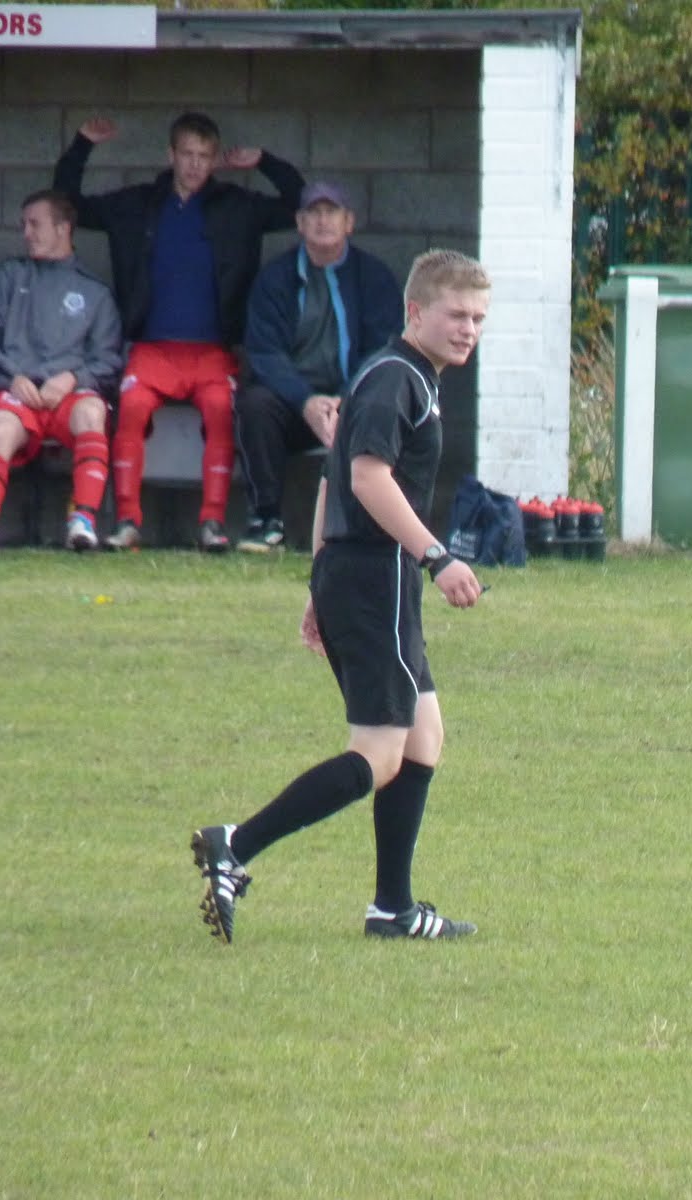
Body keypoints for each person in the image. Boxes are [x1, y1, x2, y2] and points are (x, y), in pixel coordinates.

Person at [190, 249, 490, 945]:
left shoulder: (402, 374)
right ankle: (236, 844)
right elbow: (365, 478)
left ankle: (392, 908)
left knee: (424, 735)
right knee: (380, 753)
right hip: (374, 575)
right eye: (456, 314)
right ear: (417, 312)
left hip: (355, 575)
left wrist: (316, 580)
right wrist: (437, 556)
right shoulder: (397, 380)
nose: (468, 328)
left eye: (478, 318)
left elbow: (330, 477)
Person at [52, 111, 305, 552]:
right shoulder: (138, 204)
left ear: (214, 161)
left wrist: (263, 160)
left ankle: (212, 524)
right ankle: (128, 522)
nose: (194, 164)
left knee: (221, 411)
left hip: (213, 352)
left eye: (204, 156)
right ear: (171, 154)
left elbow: (299, 203)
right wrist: (82, 145)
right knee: (129, 408)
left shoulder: (237, 206)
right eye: (186, 154)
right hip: (152, 350)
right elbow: (68, 202)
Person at [234, 180, 402, 553]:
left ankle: (376, 526)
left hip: (352, 403)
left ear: (349, 222)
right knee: (254, 405)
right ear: (299, 222)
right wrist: (306, 402)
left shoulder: (373, 277)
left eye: (332, 212)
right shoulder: (275, 279)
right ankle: (266, 521)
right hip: (295, 405)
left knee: (387, 405)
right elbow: (265, 352)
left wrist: (345, 400)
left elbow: (383, 349)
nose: (323, 220)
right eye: (314, 212)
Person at [0, 190, 121, 557]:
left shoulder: (94, 292)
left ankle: (82, 521)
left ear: (63, 228)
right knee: (0, 429)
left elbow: (110, 360)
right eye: (24, 225)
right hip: (19, 394)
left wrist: (73, 378)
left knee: (92, 412)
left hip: (67, 397)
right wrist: (12, 377)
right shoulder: (10, 275)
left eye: (35, 224)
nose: (26, 234)